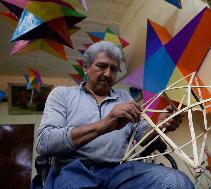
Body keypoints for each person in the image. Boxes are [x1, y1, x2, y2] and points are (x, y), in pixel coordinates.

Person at [36, 41, 195, 189]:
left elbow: (143, 135)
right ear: (85, 67)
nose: (108, 73)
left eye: (114, 69)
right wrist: (104, 125)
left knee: (177, 182)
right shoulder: (62, 94)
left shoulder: (124, 98)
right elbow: (44, 143)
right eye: (102, 66)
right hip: (73, 171)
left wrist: (161, 126)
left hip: (119, 171)